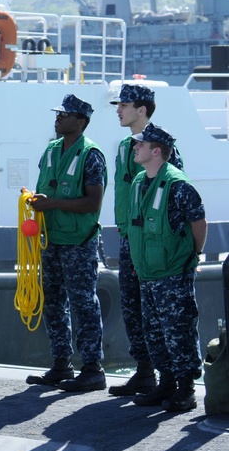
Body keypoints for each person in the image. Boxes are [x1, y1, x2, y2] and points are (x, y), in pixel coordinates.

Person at [26, 94, 108, 392]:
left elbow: (93, 202)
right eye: (58, 113)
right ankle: (61, 365)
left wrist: (52, 204)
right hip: (51, 240)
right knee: (53, 303)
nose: (58, 118)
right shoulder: (50, 151)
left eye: (65, 114)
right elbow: (45, 190)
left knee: (84, 303)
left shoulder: (91, 155)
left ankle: (92, 369)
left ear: (81, 122)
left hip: (78, 242)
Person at [124, 123, 206, 412]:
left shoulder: (177, 185)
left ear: (156, 151)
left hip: (172, 273)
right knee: (155, 334)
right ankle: (166, 384)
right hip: (147, 273)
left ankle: (186, 390)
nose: (135, 148)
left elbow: (198, 222)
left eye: (141, 145)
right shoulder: (138, 182)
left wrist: (194, 256)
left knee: (179, 332)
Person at [108, 84, 183, 397]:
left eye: (124, 104)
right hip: (130, 238)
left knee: (158, 310)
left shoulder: (160, 145)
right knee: (132, 306)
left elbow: (175, 194)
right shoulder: (126, 146)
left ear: (141, 109)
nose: (118, 109)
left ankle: (171, 379)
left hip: (154, 243)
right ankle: (144, 371)